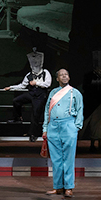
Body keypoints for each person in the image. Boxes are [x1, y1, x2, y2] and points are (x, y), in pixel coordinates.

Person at [42, 69, 83, 198]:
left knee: (68, 159)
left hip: (68, 126)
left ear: (69, 78)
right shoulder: (53, 93)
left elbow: (80, 110)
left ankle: (69, 187)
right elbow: (47, 111)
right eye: (61, 75)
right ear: (57, 78)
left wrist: (76, 127)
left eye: (66, 74)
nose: (64, 76)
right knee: (56, 160)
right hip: (53, 127)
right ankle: (58, 187)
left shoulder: (75, 92)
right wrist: (45, 128)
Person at [4, 48, 52, 141]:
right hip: (31, 93)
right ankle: (17, 117)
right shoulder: (29, 74)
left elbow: (47, 84)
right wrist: (10, 87)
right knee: (16, 100)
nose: (35, 65)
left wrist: (37, 83)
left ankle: (32, 134)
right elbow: (22, 86)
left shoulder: (46, 72)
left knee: (35, 114)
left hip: (40, 95)